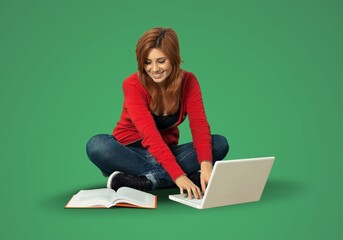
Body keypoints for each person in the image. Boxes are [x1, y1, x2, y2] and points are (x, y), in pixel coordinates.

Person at [86, 27, 229, 199]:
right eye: (147, 62)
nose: (154, 69)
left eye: (161, 61)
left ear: (173, 59)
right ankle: (175, 178)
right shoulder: (132, 84)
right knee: (97, 145)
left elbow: (199, 125)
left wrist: (206, 166)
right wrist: (179, 176)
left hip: (165, 152)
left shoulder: (189, 81)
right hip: (129, 153)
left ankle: (144, 181)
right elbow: (150, 135)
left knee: (219, 143)